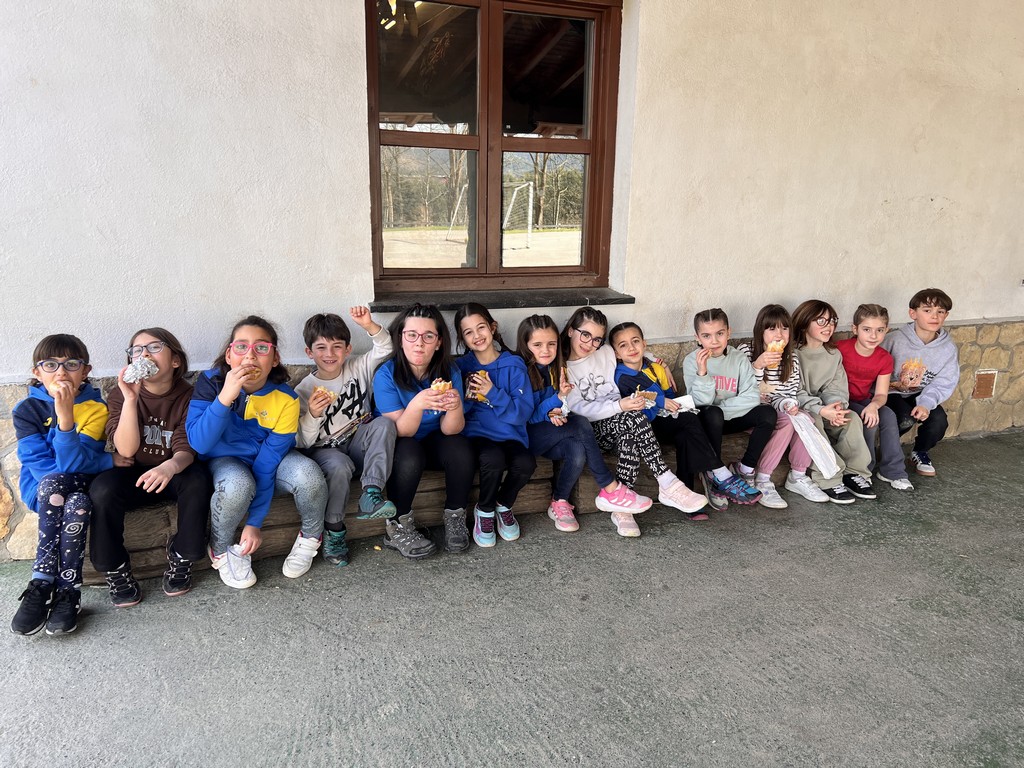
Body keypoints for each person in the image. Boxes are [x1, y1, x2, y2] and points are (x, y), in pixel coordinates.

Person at [187, 315, 327, 589]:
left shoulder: (286, 399)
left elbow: (268, 462)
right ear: (229, 355)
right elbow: (200, 444)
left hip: (267, 458)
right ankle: (221, 548)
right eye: (241, 347)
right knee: (238, 484)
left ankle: (311, 537)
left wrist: (255, 523)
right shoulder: (211, 383)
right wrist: (226, 397)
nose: (250, 355)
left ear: (274, 358)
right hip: (224, 459)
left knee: (308, 473)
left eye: (261, 348)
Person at [89, 328, 213, 607]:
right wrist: (131, 400)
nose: (144, 354)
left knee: (198, 479)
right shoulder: (120, 395)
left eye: (154, 347)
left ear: (175, 360)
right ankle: (115, 567)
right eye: (137, 350)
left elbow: (186, 447)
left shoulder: (191, 396)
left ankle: (182, 555)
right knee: (102, 488)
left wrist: (170, 467)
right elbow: (126, 450)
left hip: (175, 470)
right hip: (134, 472)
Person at [561, 307, 707, 538]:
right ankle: (667, 482)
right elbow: (580, 409)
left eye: (597, 339)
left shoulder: (605, 352)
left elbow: (633, 352)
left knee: (630, 434)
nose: (590, 344)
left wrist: (660, 364)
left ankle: (622, 509)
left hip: (624, 421)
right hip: (595, 431)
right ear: (571, 330)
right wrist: (619, 406)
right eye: (585, 334)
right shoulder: (563, 368)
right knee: (634, 416)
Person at [11, 334, 113, 636]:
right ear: (37, 372)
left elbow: (73, 465)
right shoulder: (27, 410)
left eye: (71, 364)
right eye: (50, 365)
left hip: (80, 485)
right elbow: (39, 464)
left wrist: (65, 416)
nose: (61, 372)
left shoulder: (96, 408)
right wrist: (105, 462)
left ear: (85, 370)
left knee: (77, 500)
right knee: (63, 490)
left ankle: (52, 585)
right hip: (40, 488)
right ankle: (58, 586)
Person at [517, 314, 645, 533]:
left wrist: (556, 411)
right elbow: (526, 416)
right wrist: (553, 405)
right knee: (579, 423)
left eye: (551, 344)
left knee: (577, 449)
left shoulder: (558, 367)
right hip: (527, 437)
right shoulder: (520, 369)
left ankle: (559, 501)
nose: (546, 350)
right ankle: (609, 486)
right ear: (525, 344)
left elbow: (559, 406)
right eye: (537, 345)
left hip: (551, 433)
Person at [295, 307, 397, 567]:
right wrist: (313, 414)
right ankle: (334, 531)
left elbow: (385, 348)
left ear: (348, 349)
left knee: (384, 424)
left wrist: (369, 325)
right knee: (339, 466)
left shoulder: (358, 367)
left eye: (337, 347)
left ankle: (371, 494)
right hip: (326, 451)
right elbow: (302, 442)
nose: (329, 354)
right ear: (309, 352)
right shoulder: (304, 391)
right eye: (321, 348)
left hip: (358, 442)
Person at [609, 321, 742, 519]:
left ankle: (687, 497)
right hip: (645, 429)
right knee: (687, 421)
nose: (631, 348)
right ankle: (718, 470)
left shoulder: (655, 368)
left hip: (664, 420)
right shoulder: (620, 376)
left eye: (635, 341)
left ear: (644, 343)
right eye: (623, 345)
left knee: (685, 434)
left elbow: (670, 395)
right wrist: (661, 401)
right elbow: (636, 401)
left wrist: (672, 402)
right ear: (617, 353)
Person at [372, 304, 474, 557]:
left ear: (438, 343)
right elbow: (401, 431)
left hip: (434, 440)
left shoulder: (449, 371)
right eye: (412, 335)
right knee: (409, 453)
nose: (419, 343)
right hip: (400, 444)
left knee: (461, 447)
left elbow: (451, 430)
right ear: (401, 339)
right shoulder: (386, 374)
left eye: (428, 336)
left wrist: (455, 406)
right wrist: (418, 403)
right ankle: (397, 527)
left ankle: (455, 516)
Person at [454, 303, 536, 548]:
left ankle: (503, 504)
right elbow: (458, 414)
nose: (477, 336)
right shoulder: (461, 368)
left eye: (481, 328)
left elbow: (522, 413)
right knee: (493, 458)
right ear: (462, 338)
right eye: (468, 332)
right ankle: (485, 510)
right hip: (477, 434)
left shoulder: (513, 365)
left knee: (526, 463)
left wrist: (492, 392)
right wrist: (466, 397)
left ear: (492, 327)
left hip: (511, 433)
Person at [735, 305, 830, 506]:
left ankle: (798, 475)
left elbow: (787, 393)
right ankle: (763, 478)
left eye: (784, 328)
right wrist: (758, 366)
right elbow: (741, 390)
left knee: (804, 418)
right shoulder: (746, 351)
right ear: (760, 331)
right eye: (772, 329)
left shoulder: (791, 358)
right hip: (748, 412)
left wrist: (788, 404)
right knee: (786, 422)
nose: (779, 334)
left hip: (774, 410)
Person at [681, 309, 771, 510]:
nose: (714, 341)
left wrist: (722, 410)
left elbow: (751, 396)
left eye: (719, 333)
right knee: (712, 413)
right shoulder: (692, 360)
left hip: (729, 417)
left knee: (768, 413)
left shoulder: (738, 358)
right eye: (706, 336)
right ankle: (713, 474)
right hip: (708, 422)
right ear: (697, 337)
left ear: (728, 332)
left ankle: (745, 469)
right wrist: (702, 373)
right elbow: (699, 403)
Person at [791, 300, 875, 502]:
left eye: (832, 321)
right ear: (804, 323)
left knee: (851, 418)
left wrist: (836, 408)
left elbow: (836, 387)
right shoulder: (793, 353)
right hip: (801, 408)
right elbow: (793, 391)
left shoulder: (833, 354)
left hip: (826, 408)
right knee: (814, 420)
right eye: (821, 321)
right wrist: (821, 410)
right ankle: (828, 477)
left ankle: (854, 473)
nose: (828, 326)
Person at [881, 288, 958, 477]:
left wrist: (926, 403)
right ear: (913, 313)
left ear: (946, 315)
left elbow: (943, 382)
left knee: (939, 421)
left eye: (940, 311)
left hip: (922, 394)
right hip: (891, 392)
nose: (934, 316)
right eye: (927, 310)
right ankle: (886, 452)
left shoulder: (948, 348)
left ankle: (920, 452)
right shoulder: (894, 339)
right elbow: (877, 366)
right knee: (903, 419)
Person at [837, 304, 912, 491]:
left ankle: (893, 471)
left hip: (863, 399)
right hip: (841, 399)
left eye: (879, 330)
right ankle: (863, 471)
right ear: (855, 329)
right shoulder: (840, 349)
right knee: (868, 420)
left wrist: (874, 405)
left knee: (888, 415)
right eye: (867, 329)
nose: (873, 336)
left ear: (886, 330)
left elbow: (881, 394)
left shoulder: (884, 358)